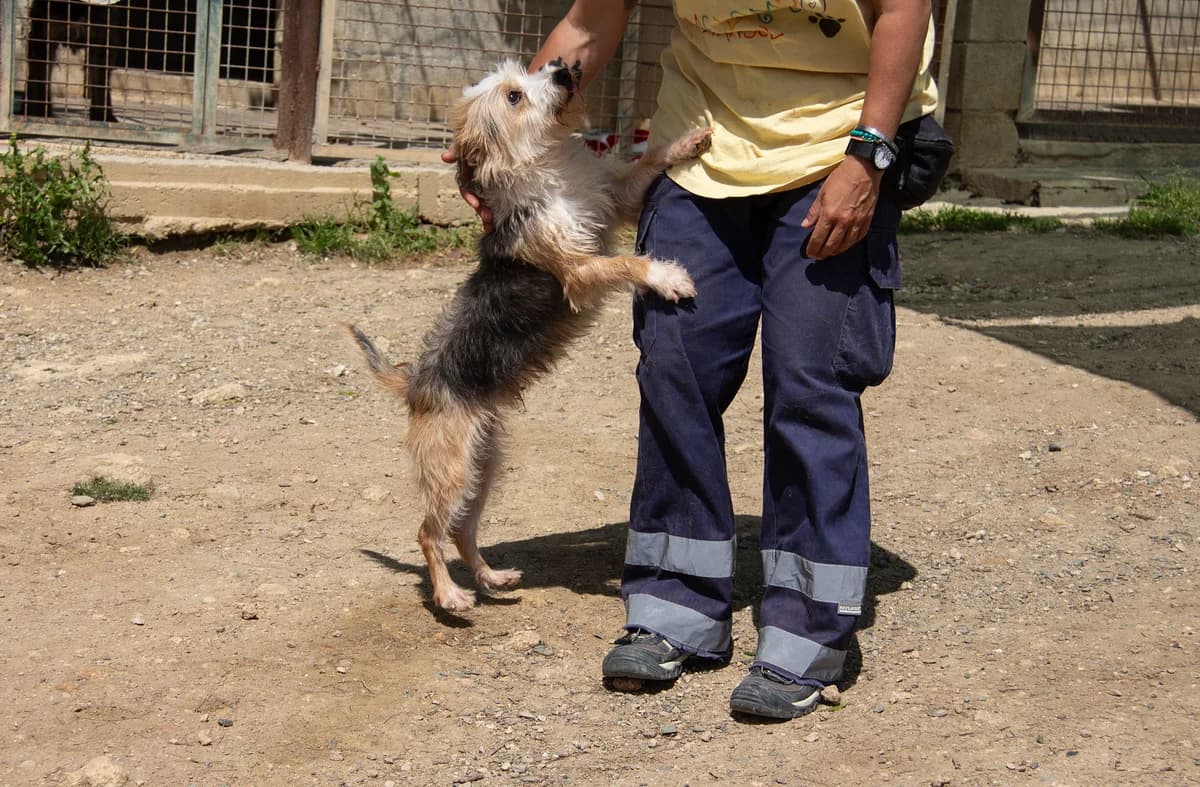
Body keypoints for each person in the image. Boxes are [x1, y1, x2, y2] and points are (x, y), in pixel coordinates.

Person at [448, 0, 939, 720]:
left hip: (836, 148)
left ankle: (808, 625)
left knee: (810, 379)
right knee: (675, 367)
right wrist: (497, 135)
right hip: (703, 156)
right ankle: (675, 603)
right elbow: (587, 24)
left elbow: (904, 7)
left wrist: (869, 154)